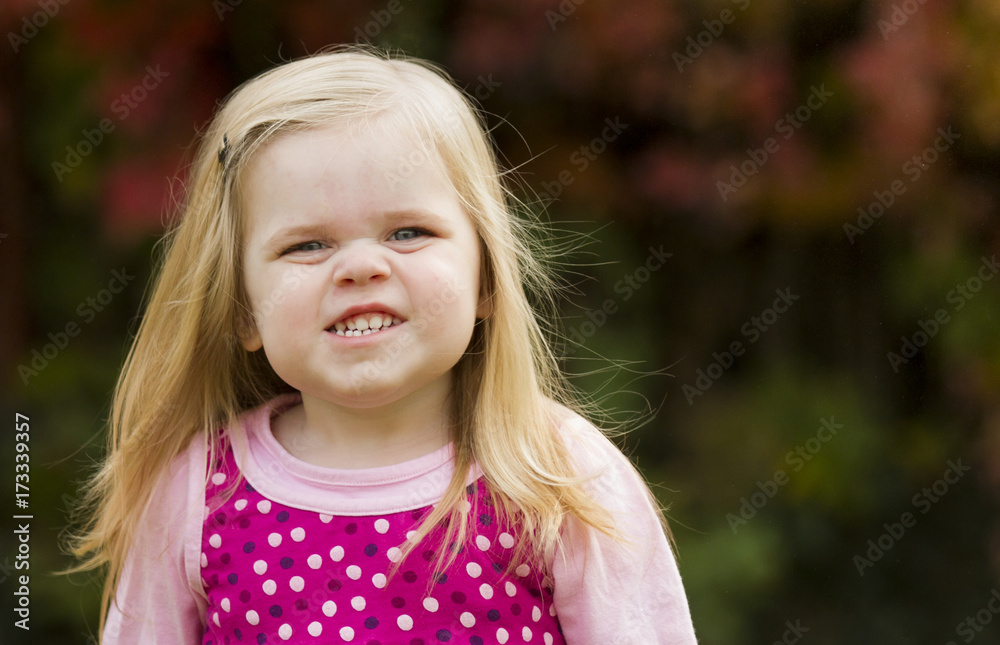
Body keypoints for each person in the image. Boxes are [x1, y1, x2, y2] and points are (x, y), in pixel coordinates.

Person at [68, 46, 698, 644]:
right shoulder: (197, 495)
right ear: (242, 310)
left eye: (408, 232)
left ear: (486, 279)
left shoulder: (560, 478)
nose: (361, 267)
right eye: (307, 245)